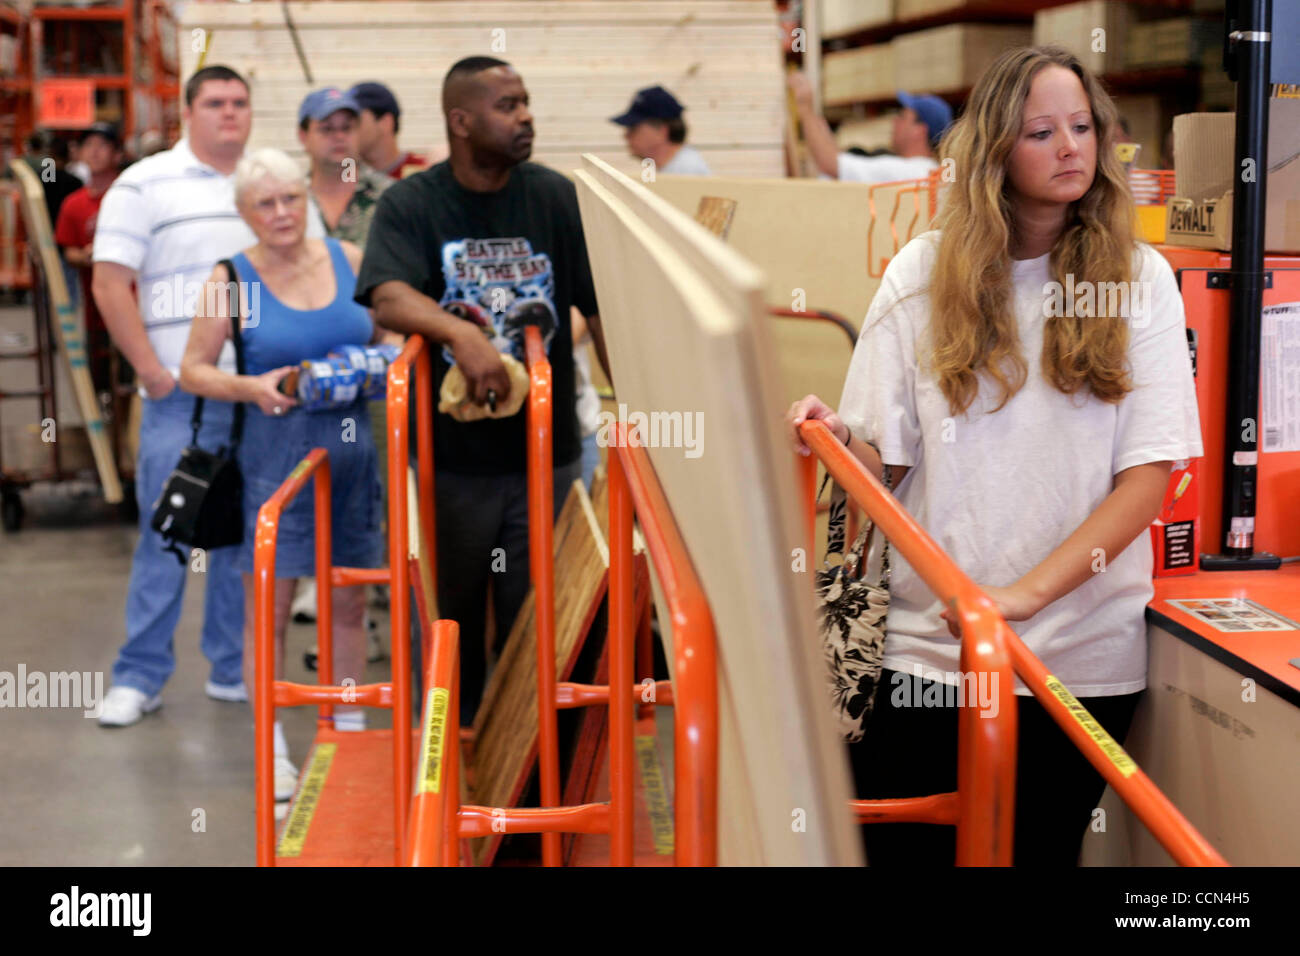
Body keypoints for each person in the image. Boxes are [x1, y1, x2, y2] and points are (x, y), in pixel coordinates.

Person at [785, 45, 1202, 866]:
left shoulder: (1140, 279)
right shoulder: (923, 272)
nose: (1072, 148)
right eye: (1042, 131)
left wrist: (1019, 599)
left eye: (1083, 127)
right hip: (925, 655)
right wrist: (835, 441)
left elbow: (1148, 478)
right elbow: (882, 468)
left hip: (1077, 662)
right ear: (994, 151)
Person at [356, 55, 608, 727]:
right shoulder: (412, 202)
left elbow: (600, 306)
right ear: (461, 121)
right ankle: (448, 754)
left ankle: (528, 770)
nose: (526, 115)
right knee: (450, 618)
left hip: (546, 460)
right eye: (508, 105)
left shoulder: (554, 196)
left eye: (526, 101)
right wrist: (462, 338)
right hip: (451, 464)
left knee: (539, 618)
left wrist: (635, 412)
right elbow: (386, 295)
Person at [92, 65, 324, 728]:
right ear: (188, 112)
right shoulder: (144, 185)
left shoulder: (264, 186)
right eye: (216, 103)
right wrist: (156, 374)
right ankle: (139, 675)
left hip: (259, 400)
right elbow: (111, 284)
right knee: (169, 533)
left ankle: (231, 668)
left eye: (241, 103)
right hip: (180, 401)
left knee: (247, 539)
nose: (230, 114)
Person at [180, 147, 382, 800]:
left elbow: (387, 337)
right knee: (266, 610)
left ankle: (347, 730)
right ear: (245, 213)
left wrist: (377, 362)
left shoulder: (349, 261)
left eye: (290, 198)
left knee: (348, 600)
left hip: (353, 457)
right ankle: (272, 751)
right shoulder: (232, 279)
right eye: (264, 203)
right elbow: (193, 369)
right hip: (277, 462)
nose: (281, 213)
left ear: (306, 199)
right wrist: (250, 385)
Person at [292, 85, 396, 660]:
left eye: (347, 125)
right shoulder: (287, 202)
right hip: (302, 384)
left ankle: (378, 627)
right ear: (304, 136)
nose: (337, 134)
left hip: (376, 384)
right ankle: (338, 623)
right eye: (324, 125)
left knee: (376, 503)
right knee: (309, 502)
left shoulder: (394, 201)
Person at [788, 71, 952, 184]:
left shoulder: (907, 173)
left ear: (919, 130)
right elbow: (835, 158)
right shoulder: (929, 171)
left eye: (902, 117)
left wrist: (804, 107)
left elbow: (831, 164)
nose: (895, 121)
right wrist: (816, 121)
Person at [55, 122, 122, 395]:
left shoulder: (129, 196)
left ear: (117, 154)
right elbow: (67, 250)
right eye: (88, 146)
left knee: (130, 382)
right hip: (95, 311)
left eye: (102, 145)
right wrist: (85, 255)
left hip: (134, 307)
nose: (94, 152)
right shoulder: (74, 203)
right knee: (99, 382)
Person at [611, 85, 712, 176]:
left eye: (633, 128)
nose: (626, 136)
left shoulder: (686, 171)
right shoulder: (677, 168)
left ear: (662, 131)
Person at [349, 81, 427, 179]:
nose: (348, 129)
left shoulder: (424, 173)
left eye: (356, 119)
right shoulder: (345, 176)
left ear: (385, 122)